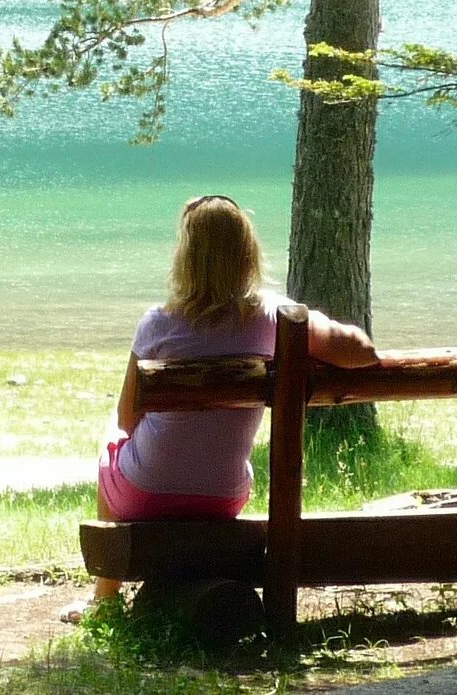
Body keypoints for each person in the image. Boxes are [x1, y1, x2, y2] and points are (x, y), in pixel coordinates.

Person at [86, 193, 379, 606]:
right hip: (223, 495)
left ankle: (104, 598)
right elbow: (362, 351)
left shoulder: (158, 324)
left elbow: (127, 418)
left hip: (145, 492)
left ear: (186, 258)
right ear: (248, 255)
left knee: (110, 441)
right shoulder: (273, 316)